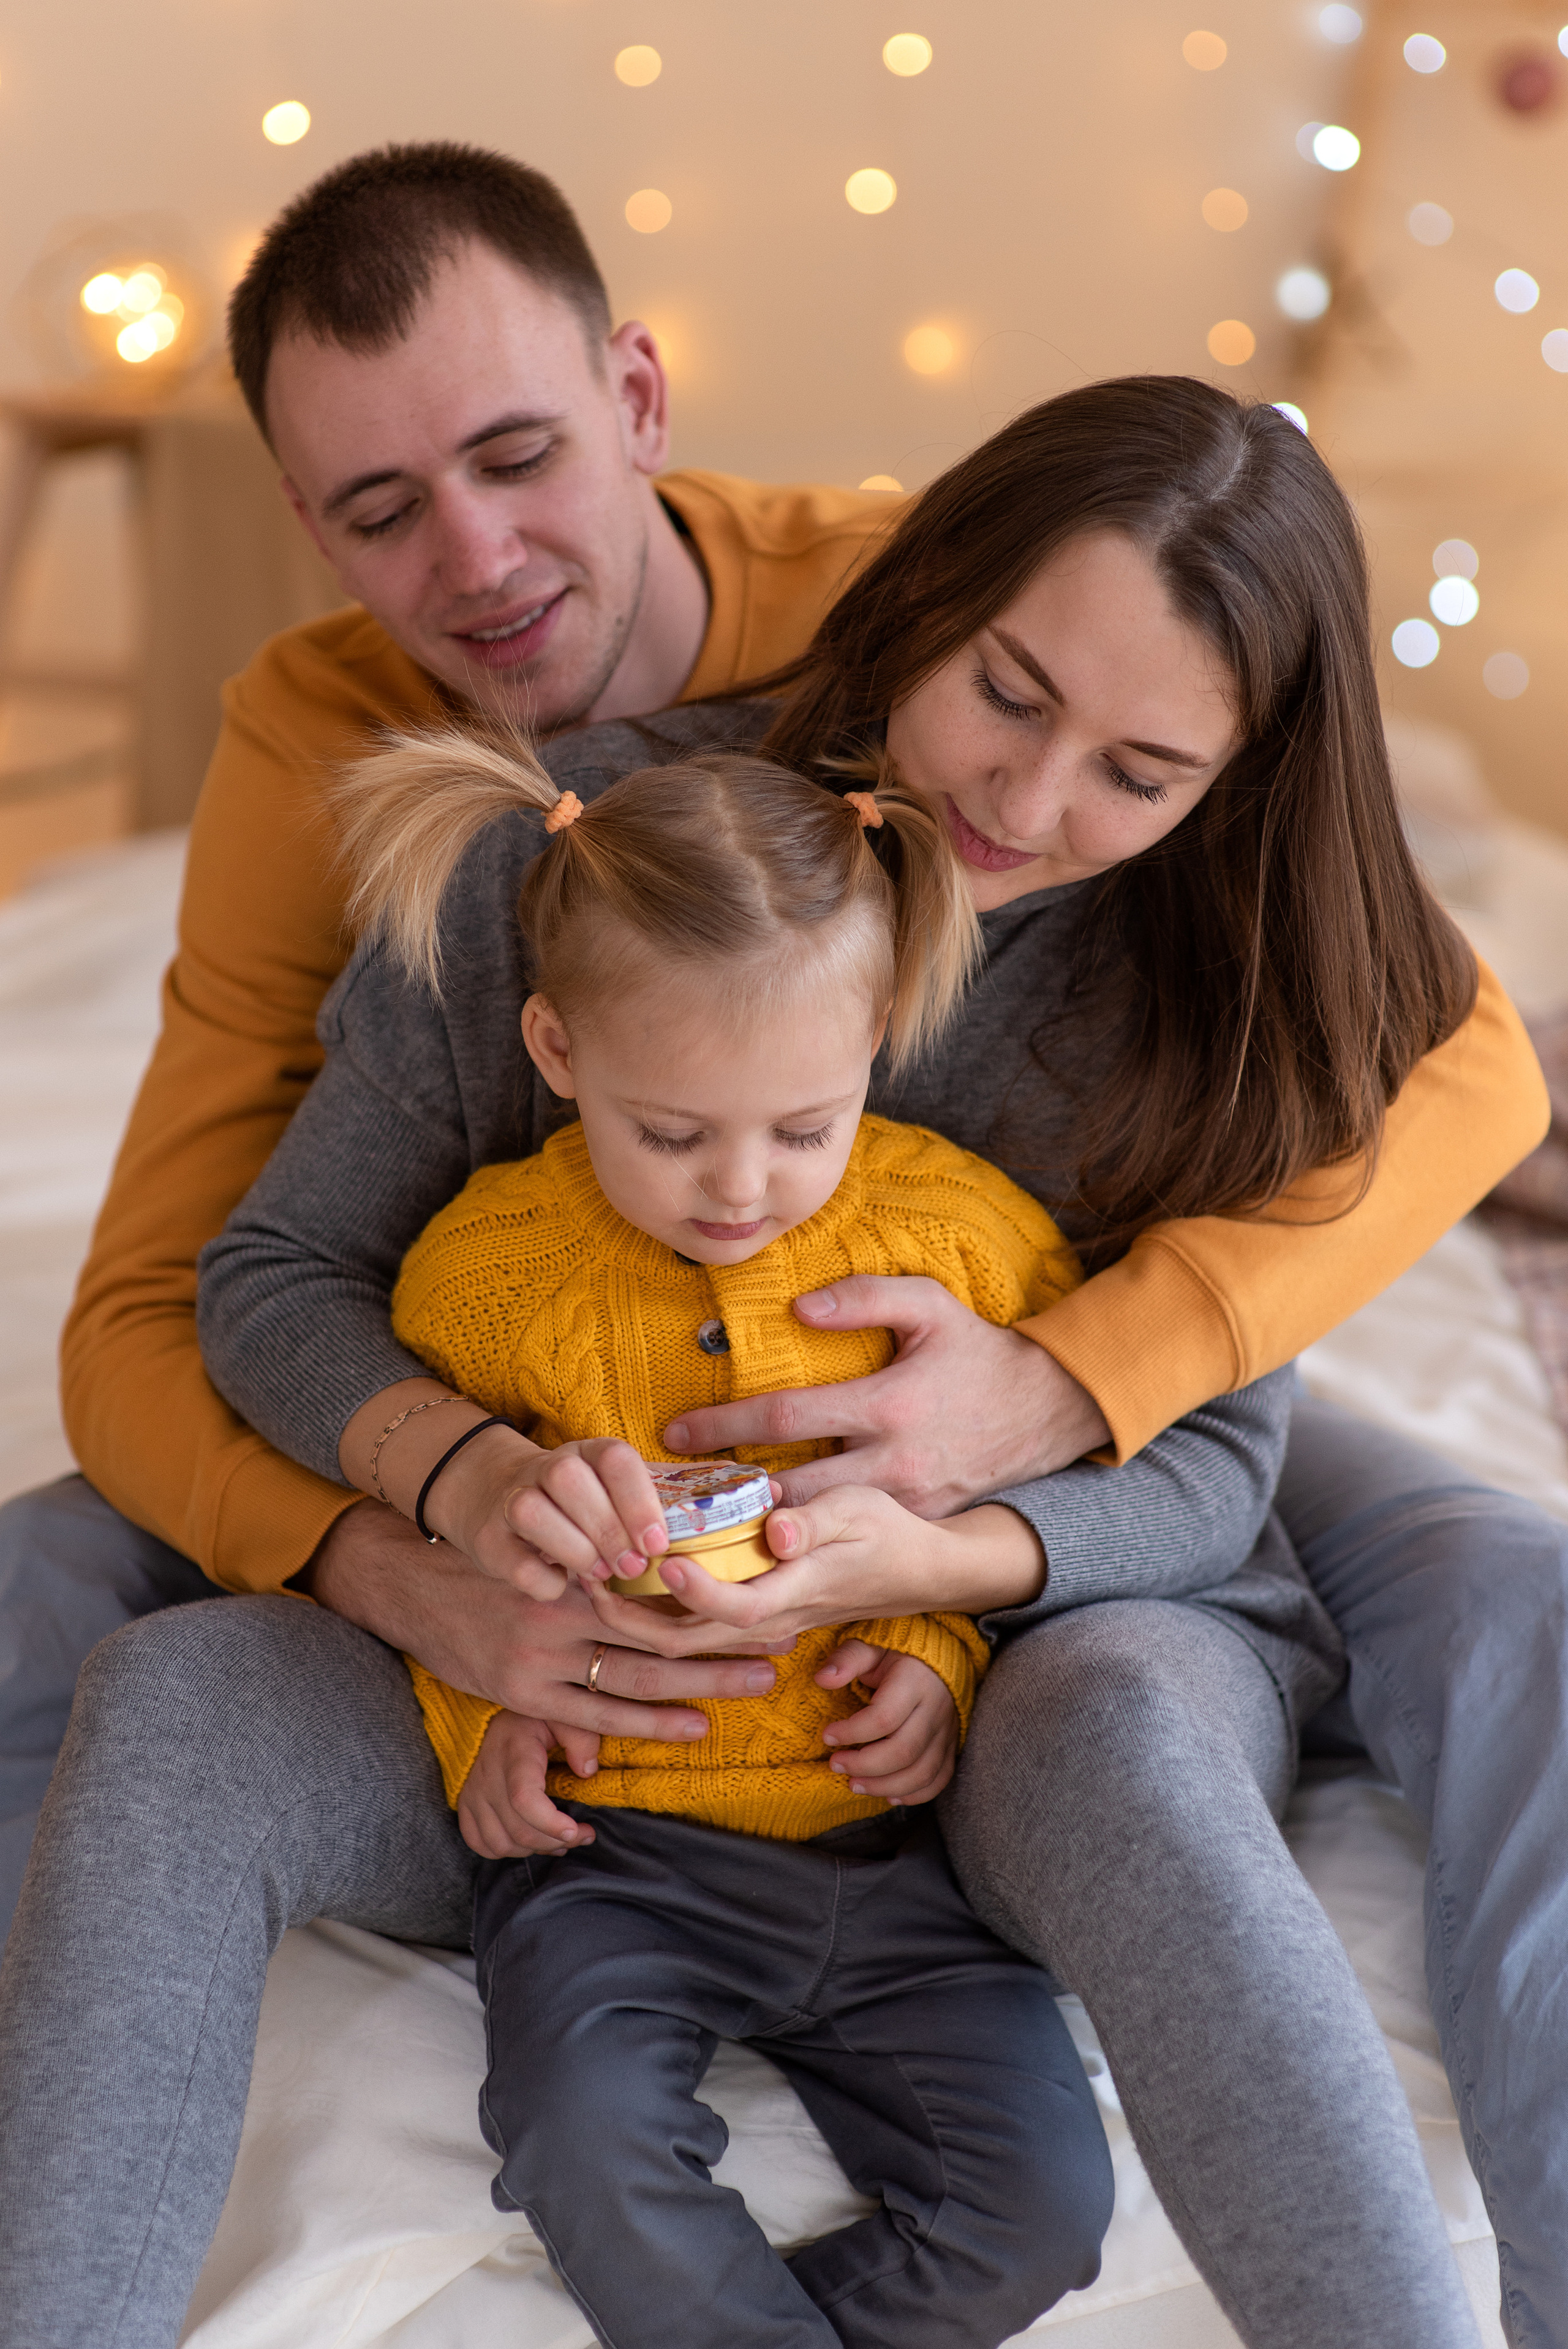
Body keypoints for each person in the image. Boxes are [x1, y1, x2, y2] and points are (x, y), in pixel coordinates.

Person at [0, 378, 1500, 2348]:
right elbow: (275, 1275)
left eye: (1142, 771)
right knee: (170, 1685)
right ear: (927, 589)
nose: (1033, 808)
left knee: (1169, 1702)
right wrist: (448, 1497)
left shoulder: (1226, 1007)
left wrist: (950, 1563)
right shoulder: (576, 875)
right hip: (569, 1726)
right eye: (1011, 693)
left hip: (1011, 1672)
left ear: (1231, 782)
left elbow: (1224, 1465)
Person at [309, 743, 1117, 2343]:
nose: (742, 1187)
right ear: (558, 1046)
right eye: (672, 1133)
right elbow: (451, 1581)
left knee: (1043, 2210)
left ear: (875, 1047)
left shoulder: (958, 1242)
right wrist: (488, 1723)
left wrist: (937, 1661)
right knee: (577, 2145)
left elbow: (1019, 1506)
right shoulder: (483, 1280)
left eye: (802, 1128)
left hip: (898, 1869)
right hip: (614, 1870)